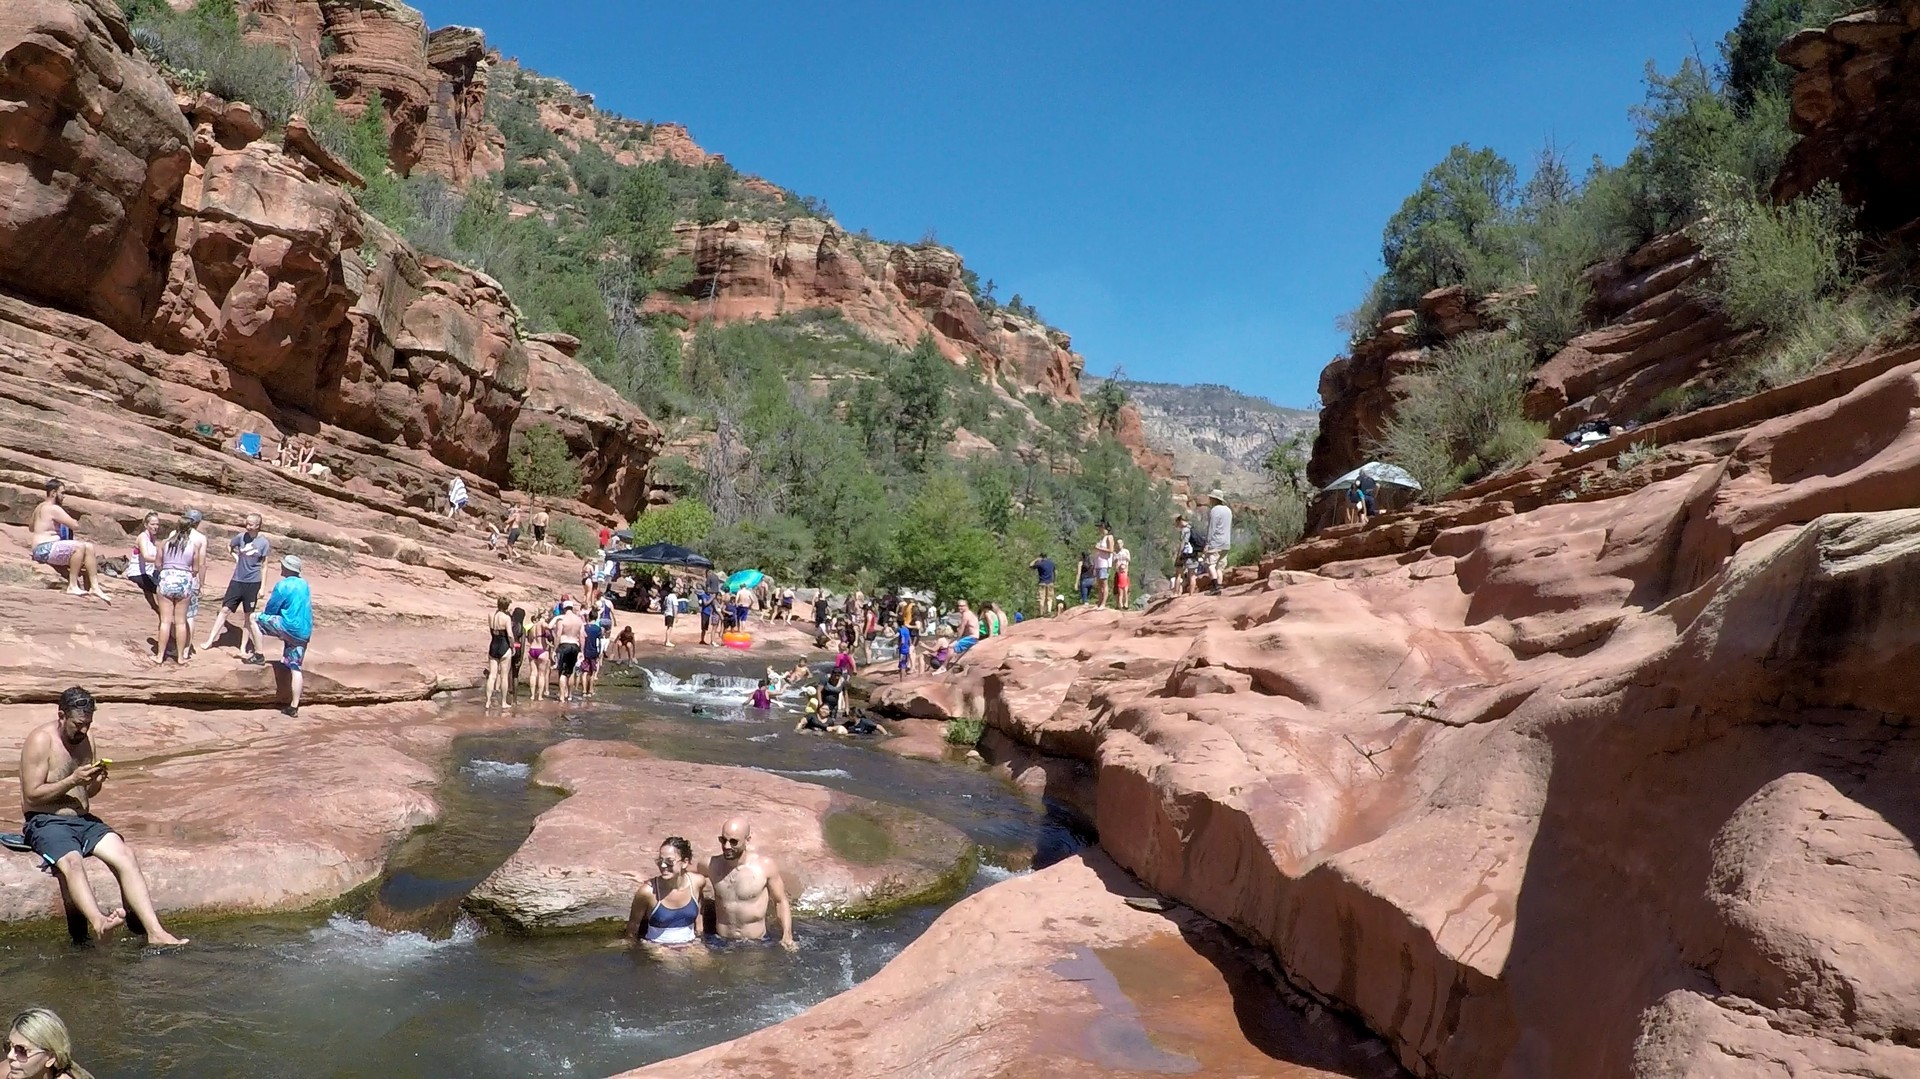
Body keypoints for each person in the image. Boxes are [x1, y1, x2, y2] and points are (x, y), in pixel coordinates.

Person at [18, 687, 188, 945]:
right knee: (72, 862)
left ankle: (155, 932)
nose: (83, 730)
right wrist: (72, 779)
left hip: (83, 821)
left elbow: (88, 792)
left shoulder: (87, 739)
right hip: (46, 821)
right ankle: (99, 922)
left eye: (88, 724)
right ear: (61, 716)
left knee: (126, 855)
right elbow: (32, 795)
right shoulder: (41, 741)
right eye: (78, 724)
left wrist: (96, 782)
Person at [706, 818, 795, 950]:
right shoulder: (711, 865)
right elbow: (685, 875)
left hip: (756, 943)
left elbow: (780, 901)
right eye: (723, 840)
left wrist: (787, 935)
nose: (727, 846)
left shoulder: (764, 866)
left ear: (747, 840)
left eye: (734, 841)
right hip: (721, 942)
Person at [26, 480, 109, 603]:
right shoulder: (54, 508)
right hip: (44, 549)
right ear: (53, 493)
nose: (64, 496)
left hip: (42, 549)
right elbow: (74, 525)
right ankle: (73, 585)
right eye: (62, 493)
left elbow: (31, 528)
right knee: (79, 547)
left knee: (89, 547)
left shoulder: (39, 507)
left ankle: (95, 587)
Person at [201, 513, 270, 662]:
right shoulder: (240, 537)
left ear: (258, 525)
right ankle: (210, 640)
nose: (248, 526)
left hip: (253, 582)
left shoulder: (263, 543)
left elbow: (264, 566)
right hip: (237, 580)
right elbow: (229, 546)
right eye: (247, 523)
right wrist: (236, 557)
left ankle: (243, 647)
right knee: (225, 609)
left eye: (251, 524)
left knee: (248, 616)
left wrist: (263, 587)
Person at [622, 836, 711, 949]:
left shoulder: (697, 883)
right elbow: (633, 928)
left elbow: (699, 912)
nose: (663, 866)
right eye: (660, 861)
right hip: (658, 947)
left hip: (690, 943)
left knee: (709, 964)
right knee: (673, 964)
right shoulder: (647, 892)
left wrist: (700, 938)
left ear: (684, 862)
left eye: (669, 862)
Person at [256, 555, 313, 716]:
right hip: (303, 632)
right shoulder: (304, 584)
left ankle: (258, 654)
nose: (281, 567)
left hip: (288, 626)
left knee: (255, 618)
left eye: (283, 565)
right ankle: (294, 706)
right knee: (295, 667)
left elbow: (271, 610)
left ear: (287, 568)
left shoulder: (283, 585)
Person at [152, 516, 201, 665]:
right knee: (180, 622)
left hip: (167, 578)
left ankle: (160, 656)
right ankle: (180, 657)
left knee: (165, 621)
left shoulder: (165, 543)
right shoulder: (193, 546)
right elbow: (196, 569)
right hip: (184, 581)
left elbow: (157, 564)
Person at [4, 1006, 96, 1079]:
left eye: (21, 1050)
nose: (10, 1056)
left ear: (51, 1058)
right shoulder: (9, 1071)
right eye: (8, 1046)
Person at [125, 511, 161, 616]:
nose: (155, 527)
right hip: (137, 573)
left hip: (148, 572)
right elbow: (146, 557)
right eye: (153, 524)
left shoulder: (152, 538)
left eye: (157, 524)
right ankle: (162, 613)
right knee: (161, 590)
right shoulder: (142, 537)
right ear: (146, 525)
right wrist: (161, 560)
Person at [552, 601, 585, 702]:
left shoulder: (562, 619)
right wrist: (581, 651)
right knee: (570, 672)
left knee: (562, 672)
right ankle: (570, 695)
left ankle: (562, 696)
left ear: (564, 609)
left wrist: (554, 649)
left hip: (564, 645)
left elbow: (558, 635)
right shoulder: (579, 620)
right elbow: (582, 636)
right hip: (575, 645)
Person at [1204, 488, 1234, 596]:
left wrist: (1207, 544)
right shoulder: (1228, 510)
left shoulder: (1215, 510)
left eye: (1211, 498)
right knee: (1219, 567)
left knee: (1210, 565)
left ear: (1214, 499)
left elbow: (1212, 528)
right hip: (1226, 543)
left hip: (1215, 542)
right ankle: (1219, 586)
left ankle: (1215, 586)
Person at [484, 597, 513, 709]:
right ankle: (504, 702)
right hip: (504, 646)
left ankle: (487, 702)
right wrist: (512, 646)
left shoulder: (491, 615)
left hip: (493, 645)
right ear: (506, 606)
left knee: (492, 675)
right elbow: (509, 634)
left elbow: (492, 630)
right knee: (504, 676)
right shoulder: (506, 618)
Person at [527, 608, 552, 702]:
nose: (548, 616)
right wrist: (556, 620)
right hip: (541, 650)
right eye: (546, 615)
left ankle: (532, 695)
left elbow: (529, 639)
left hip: (532, 649)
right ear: (542, 615)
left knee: (533, 674)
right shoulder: (542, 623)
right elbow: (549, 626)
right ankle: (540, 696)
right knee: (541, 674)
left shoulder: (532, 626)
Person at [1092, 524, 1117, 607]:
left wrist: (1099, 548)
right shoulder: (1101, 538)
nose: (1100, 529)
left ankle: (1103, 603)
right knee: (1099, 584)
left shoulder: (1109, 537)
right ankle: (1099, 602)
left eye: (1101, 528)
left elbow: (1111, 550)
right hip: (1098, 563)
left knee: (1104, 583)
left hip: (1104, 563)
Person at [580, 616, 604, 698]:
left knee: (584, 672)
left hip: (585, 651)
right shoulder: (598, 629)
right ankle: (590, 691)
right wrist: (600, 653)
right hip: (594, 652)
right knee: (592, 672)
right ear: (596, 618)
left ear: (589, 617)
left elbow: (581, 639)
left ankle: (583, 691)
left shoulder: (584, 627)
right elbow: (599, 642)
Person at [508, 606, 528, 699]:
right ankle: (515, 700)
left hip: (509, 648)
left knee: (507, 672)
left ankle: (508, 693)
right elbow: (523, 644)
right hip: (518, 649)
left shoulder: (509, 625)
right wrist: (521, 658)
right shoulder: (522, 628)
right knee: (515, 675)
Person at [1173, 514, 1195, 595]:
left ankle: (1176, 593)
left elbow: (1183, 543)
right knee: (1192, 574)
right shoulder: (1192, 528)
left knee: (1178, 574)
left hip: (1184, 553)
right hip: (1193, 553)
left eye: (1177, 523)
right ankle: (1191, 594)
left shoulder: (1184, 530)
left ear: (1180, 521)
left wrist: (1179, 554)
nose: (1178, 525)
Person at [1115, 541, 1133, 609]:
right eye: (1118, 543)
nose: (1119, 545)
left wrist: (1125, 557)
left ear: (1123, 544)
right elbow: (1114, 561)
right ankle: (1118, 604)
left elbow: (1129, 560)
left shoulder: (1126, 551)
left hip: (1125, 571)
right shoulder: (1116, 552)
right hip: (1118, 572)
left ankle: (1126, 603)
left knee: (1126, 588)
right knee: (1117, 588)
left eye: (1120, 543)